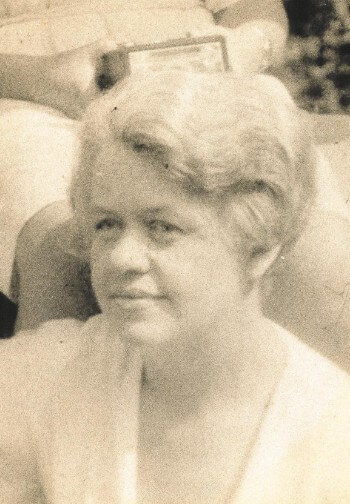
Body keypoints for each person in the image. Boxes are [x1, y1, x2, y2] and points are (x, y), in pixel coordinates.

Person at [1, 71, 350, 503]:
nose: (121, 258)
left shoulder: (335, 442)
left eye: (162, 227)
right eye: (107, 224)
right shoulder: (50, 376)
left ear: (261, 244)